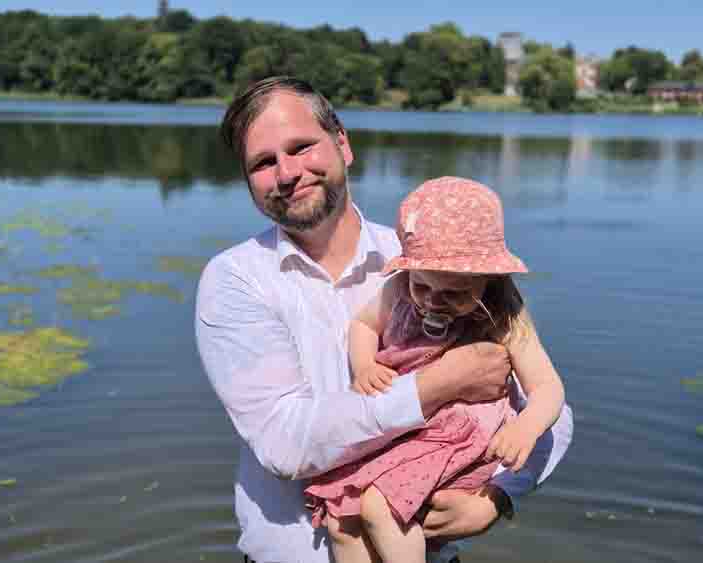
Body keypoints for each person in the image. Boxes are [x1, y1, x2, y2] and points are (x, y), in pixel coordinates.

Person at [195, 76, 573, 563]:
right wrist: (436, 384)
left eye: (301, 147)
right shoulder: (235, 280)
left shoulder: (435, 257)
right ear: (248, 180)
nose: (287, 173)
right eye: (264, 163)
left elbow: (551, 412)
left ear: (343, 144)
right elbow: (285, 443)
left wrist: (498, 497)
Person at [304, 176, 566, 563]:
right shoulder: (399, 289)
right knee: (343, 523)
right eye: (424, 286)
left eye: (456, 293)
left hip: (456, 432)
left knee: (381, 508)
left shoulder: (504, 315)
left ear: (488, 279)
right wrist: (363, 365)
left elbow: (547, 386)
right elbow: (363, 324)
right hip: (405, 426)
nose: (434, 302)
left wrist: (526, 427)